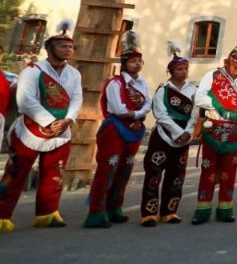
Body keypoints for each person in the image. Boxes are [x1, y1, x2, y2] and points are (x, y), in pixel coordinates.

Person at [0, 19, 80, 233]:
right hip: (30, 130)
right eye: (63, 45)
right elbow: (25, 100)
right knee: (15, 174)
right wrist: (49, 121)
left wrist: (68, 120)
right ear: (49, 48)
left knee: (55, 174)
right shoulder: (32, 71)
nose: (68, 49)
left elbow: (76, 99)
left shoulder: (74, 74)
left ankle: (47, 213)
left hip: (62, 131)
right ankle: (2, 214)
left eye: (70, 46)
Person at [85, 31, 152, 228]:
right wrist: (135, 114)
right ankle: (97, 211)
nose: (137, 65)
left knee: (126, 167)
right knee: (108, 168)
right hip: (115, 129)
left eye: (139, 61)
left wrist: (137, 115)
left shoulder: (141, 83)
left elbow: (148, 103)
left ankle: (115, 206)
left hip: (134, 128)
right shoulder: (114, 83)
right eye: (133, 61)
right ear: (124, 63)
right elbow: (117, 108)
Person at [192, 35, 237, 224]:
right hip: (214, 127)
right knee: (208, 170)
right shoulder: (213, 76)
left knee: (229, 171)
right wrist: (219, 105)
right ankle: (202, 209)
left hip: (235, 131)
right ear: (229, 62)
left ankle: (225, 209)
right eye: (236, 66)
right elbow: (199, 98)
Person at [140, 41, 197, 226]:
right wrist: (177, 132)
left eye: (185, 68)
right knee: (154, 175)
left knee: (177, 176)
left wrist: (188, 132)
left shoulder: (193, 90)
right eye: (179, 69)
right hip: (163, 137)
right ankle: (149, 213)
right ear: (171, 71)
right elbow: (161, 114)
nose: (183, 72)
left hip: (184, 139)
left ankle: (170, 211)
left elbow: (195, 114)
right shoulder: (163, 91)